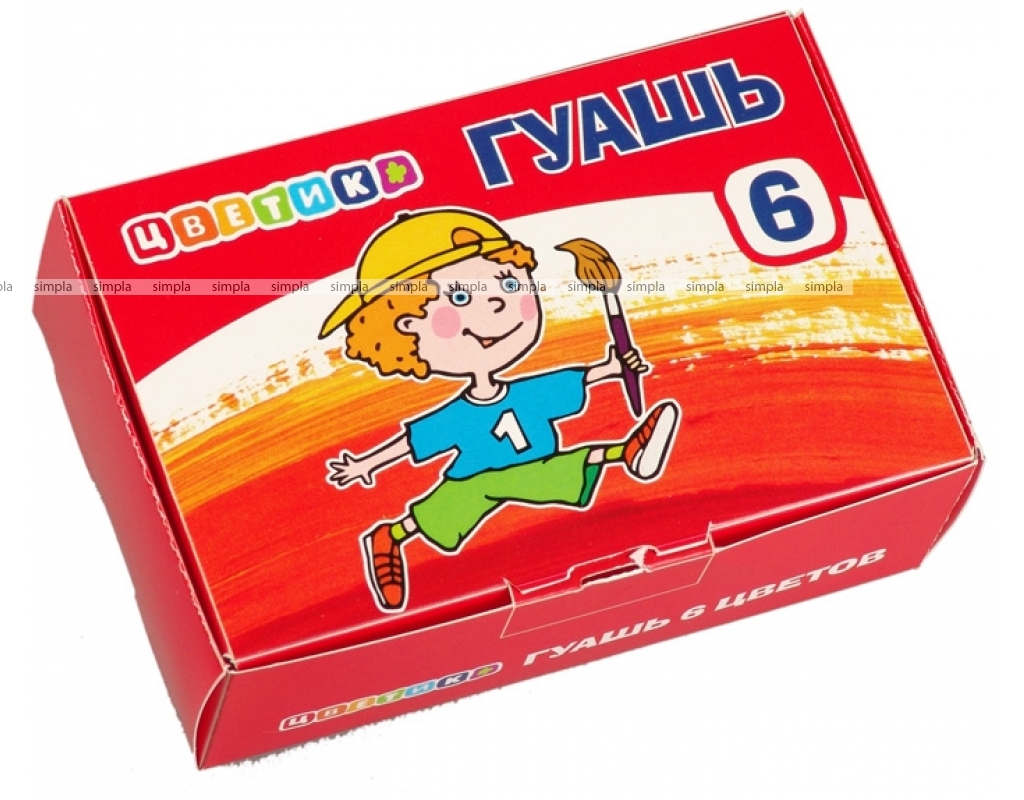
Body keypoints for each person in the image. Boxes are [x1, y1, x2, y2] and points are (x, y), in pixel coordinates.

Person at [320, 208, 680, 612]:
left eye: (509, 284)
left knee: (554, 470)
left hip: (532, 463)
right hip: (471, 481)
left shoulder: (526, 392)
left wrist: (613, 368)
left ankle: (628, 452)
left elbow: (574, 383)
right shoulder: (456, 415)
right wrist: (366, 464)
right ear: (406, 327)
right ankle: (389, 537)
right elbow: (411, 441)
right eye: (459, 299)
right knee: (441, 513)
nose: (495, 304)